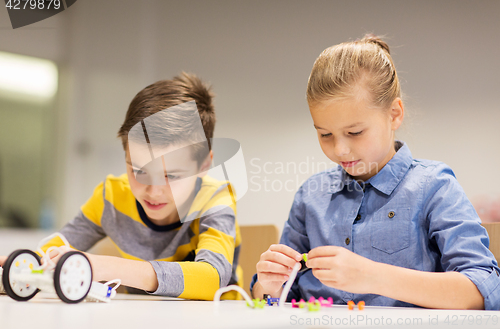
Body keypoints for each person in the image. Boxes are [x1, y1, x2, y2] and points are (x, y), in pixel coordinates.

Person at [251, 34, 500, 310]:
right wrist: (269, 286)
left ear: (394, 114)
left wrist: (373, 276)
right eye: (325, 134)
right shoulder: (311, 196)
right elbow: (277, 296)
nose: (340, 150)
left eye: (354, 132)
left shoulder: (434, 187)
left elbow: (483, 290)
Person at [0, 73, 242, 300]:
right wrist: (26, 269)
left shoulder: (216, 198)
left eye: (172, 176)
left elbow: (214, 277)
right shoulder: (111, 195)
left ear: (204, 164)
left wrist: (105, 266)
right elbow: (60, 246)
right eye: (139, 171)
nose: (154, 191)